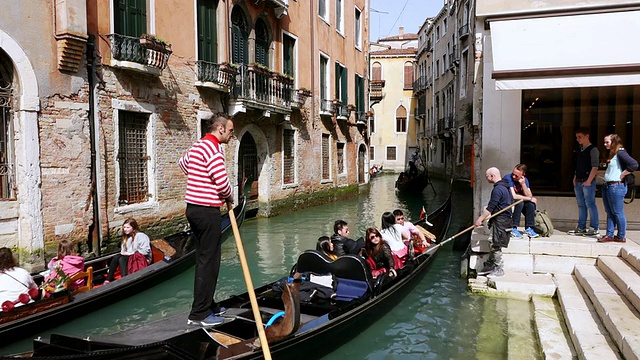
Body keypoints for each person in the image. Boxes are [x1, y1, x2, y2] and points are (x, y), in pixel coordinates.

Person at [179, 113, 234, 327]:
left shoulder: (198, 146)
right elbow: (221, 181)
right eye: (230, 131)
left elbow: (183, 164)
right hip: (207, 210)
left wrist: (199, 180)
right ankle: (199, 313)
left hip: (193, 209)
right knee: (209, 261)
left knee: (206, 259)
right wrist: (230, 196)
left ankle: (208, 304)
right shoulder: (213, 148)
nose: (231, 135)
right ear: (220, 129)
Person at [598, 134, 638, 243]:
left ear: (614, 141)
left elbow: (634, 164)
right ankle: (609, 234)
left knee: (617, 212)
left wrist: (624, 174)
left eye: (607, 142)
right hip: (608, 185)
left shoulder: (621, 152)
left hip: (616, 186)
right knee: (610, 211)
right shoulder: (613, 154)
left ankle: (621, 236)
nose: (605, 144)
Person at [474, 167, 513, 277]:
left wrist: (479, 219)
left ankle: (498, 269)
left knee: (496, 244)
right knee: (493, 242)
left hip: (501, 221)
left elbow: (490, 208)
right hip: (502, 220)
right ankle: (491, 265)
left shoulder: (498, 189)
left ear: (492, 176)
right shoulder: (505, 187)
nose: (487, 179)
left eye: (487, 177)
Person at [571, 127, 600, 236]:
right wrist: (575, 176)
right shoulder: (580, 150)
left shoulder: (593, 150)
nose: (578, 139)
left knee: (590, 203)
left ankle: (594, 227)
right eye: (577, 137)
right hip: (579, 179)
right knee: (581, 204)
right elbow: (578, 164)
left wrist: (589, 180)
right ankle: (581, 226)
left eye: (580, 137)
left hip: (587, 180)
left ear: (587, 136)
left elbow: (595, 166)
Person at [105, 218, 151, 283]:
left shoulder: (141, 236)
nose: (125, 229)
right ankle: (108, 279)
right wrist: (124, 250)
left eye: (128, 227)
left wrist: (130, 253)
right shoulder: (127, 238)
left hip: (142, 259)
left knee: (122, 259)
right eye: (124, 227)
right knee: (116, 257)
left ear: (133, 228)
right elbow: (123, 251)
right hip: (131, 257)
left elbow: (145, 251)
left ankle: (124, 279)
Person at [503, 164, 539, 238]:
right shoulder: (508, 178)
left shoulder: (525, 180)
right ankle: (513, 227)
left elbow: (529, 195)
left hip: (519, 202)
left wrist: (523, 184)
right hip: (507, 202)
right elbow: (514, 196)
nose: (514, 177)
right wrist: (530, 198)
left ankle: (529, 228)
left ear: (523, 175)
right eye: (513, 174)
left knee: (530, 204)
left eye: (516, 176)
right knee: (520, 202)